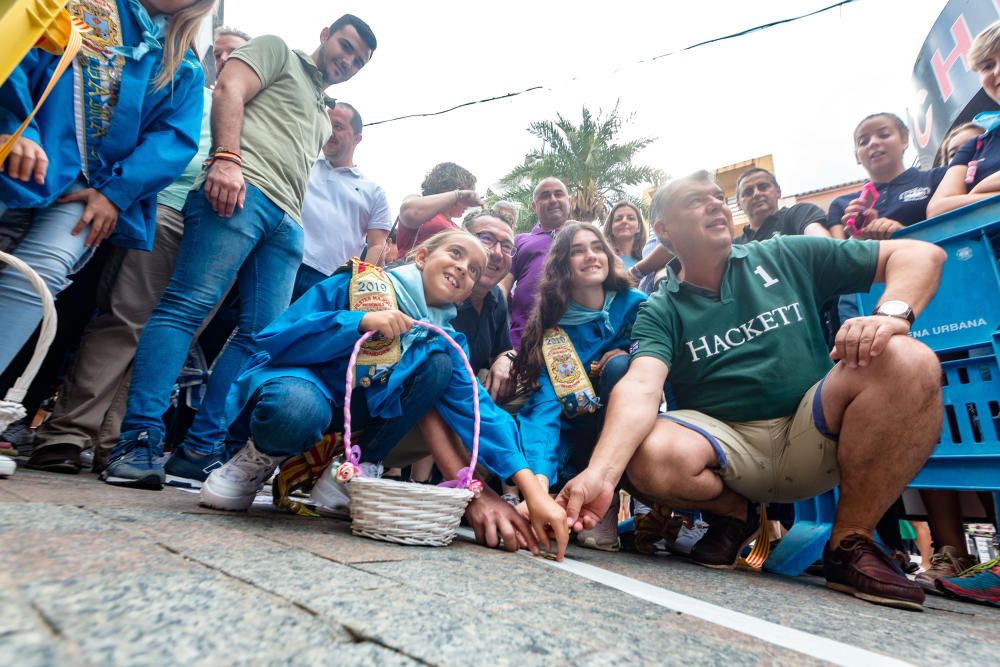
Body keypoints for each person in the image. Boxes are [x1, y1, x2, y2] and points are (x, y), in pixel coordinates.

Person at [557, 171, 947, 611]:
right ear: (663, 230)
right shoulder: (661, 306)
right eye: (694, 200)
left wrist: (890, 315)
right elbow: (642, 385)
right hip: (728, 451)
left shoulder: (784, 254)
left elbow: (918, 254)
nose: (716, 205)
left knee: (908, 358)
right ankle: (732, 516)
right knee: (647, 451)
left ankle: (849, 542)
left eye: (718, 198)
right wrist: (601, 475)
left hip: (814, 429)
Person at [102, 14, 378, 490]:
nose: (348, 61)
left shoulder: (320, 107)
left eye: (359, 60)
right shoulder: (275, 50)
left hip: (287, 223)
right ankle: (138, 440)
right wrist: (226, 159)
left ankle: (197, 451)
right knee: (186, 307)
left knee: (260, 340)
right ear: (325, 34)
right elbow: (229, 87)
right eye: (346, 46)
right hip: (241, 192)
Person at [200, 231, 570, 558]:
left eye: (474, 269)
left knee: (438, 365)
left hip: (359, 420)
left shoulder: (444, 337)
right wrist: (357, 322)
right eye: (455, 254)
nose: (464, 269)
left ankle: (357, 468)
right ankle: (257, 458)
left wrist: (532, 492)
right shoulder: (357, 284)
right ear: (421, 257)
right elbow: (277, 339)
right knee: (296, 410)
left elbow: (480, 412)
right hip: (306, 387)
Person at [27, 27, 251, 474]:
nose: (227, 60)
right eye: (220, 53)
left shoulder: (259, 118)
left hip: (218, 231)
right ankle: (69, 433)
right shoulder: (194, 93)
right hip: (166, 208)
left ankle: (120, 444)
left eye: (238, 55)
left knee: (172, 340)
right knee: (124, 321)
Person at [0, 0, 212, 374]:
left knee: (45, 270)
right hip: (21, 148)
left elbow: (172, 140)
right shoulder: (74, 3)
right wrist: (14, 123)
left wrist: (115, 193)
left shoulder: (184, 67)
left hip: (92, 191)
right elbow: (18, 45)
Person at [513, 222, 646, 550]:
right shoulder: (553, 328)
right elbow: (544, 405)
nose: (590, 256)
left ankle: (609, 502)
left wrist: (630, 353)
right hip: (573, 437)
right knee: (533, 453)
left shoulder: (636, 305)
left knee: (620, 367)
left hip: (626, 437)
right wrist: (538, 485)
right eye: (577, 251)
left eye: (597, 247)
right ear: (562, 265)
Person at [293, 102, 390, 300]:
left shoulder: (374, 192)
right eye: (327, 125)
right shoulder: (302, 160)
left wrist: (359, 289)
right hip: (282, 257)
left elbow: (376, 246)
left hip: (329, 281)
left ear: (357, 138)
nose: (329, 132)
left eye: (337, 126)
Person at [827, 113, 947, 241]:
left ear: (905, 140)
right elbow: (837, 254)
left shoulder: (939, 177)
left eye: (884, 135)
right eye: (863, 142)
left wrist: (903, 234)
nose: (873, 143)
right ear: (857, 156)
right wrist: (859, 239)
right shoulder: (841, 205)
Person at [928, 20, 1000, 218]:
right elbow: (938, 209)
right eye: (987, 66)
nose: (997, 71)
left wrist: (981, 188)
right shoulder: (974, 146)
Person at [502, 177, 571, 348]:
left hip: (576, 338)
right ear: (534, 206)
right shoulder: (519, 240)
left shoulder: (586, 237)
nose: (553, 199)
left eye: (558, 194)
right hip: (523, 337)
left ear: (568, 201)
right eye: (545, 195)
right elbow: (503, 285)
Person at [395, 162, 480, 257]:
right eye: (467, 196)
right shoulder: (417, 203)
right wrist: (458, 195)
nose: (468, 203)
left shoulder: (456, 227)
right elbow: (410, 212)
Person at [734, 167, 830, 243]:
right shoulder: (735, 247)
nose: (756, 194)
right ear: (738, 204)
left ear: (778, 191)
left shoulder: (800, 214)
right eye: (748, 192)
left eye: (763, 187)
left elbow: (824, 244)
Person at [602, 201, 647, 270]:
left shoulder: (648, 261)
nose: (624, 221)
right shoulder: (602, 259)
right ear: (610, 228)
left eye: (631, 218)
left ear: (639, 227)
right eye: (618, 219)